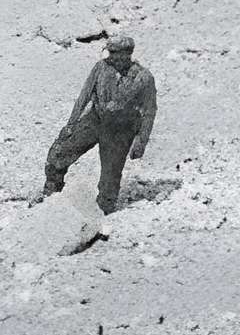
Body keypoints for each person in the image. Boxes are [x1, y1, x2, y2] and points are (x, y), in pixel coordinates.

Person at [42, 32, 158, 213]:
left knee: (109, 180)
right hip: (96, 119)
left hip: (121, 129)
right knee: (59, 153)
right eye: (110, 53)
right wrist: (70, 125)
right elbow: (84, 96)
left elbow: (150, 111)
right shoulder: (101, 68)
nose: (111, 57)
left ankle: (102, 214)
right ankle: (50, 197)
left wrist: (141, 141)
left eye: (115, 53)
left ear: (127, 54)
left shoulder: (144, 78)